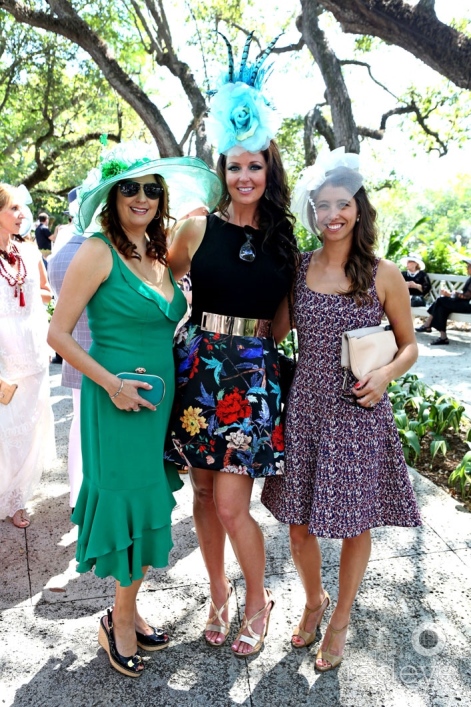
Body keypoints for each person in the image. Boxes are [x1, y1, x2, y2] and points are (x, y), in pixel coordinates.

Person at [47, 140, 222, 678]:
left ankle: (129, 610)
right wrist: (113, 385)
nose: (142, 197)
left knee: (148, 508)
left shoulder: (159, 253)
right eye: (130, 188)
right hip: (116, 403)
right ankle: (118, 622)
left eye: (151, 189)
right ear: (112, 195)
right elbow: (59, 333)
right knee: (126, 504)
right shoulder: (97, 249)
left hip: (158, 405)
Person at [164, 32, 300, 657]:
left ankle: (257, 599)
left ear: (268, 170)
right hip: (197, 367)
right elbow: (155, 282)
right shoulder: (196, 227)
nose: (245, 175)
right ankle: (217, 595)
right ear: (221, 170)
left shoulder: (283, 238)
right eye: (235, 164)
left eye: (256, 164)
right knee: (200, 494)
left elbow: (288, 315)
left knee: (229, 504)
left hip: (251, 377)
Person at [261, 148, 421, 672]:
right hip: (306, 409)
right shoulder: (299, 268)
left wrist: (384, 376)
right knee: (299, 524)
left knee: (355, 525)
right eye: (322, 204)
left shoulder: (383, 273)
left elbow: (409, 346)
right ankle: (314, 600)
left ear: (358, 208)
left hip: (359, 410)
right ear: (311, 211)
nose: (333, 214)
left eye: (342, 203)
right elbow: (275, 331)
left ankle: (340, 618)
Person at [0, 184, 55, 529]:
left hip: (33, 353)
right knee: (5, 431)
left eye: (22, 209)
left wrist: (35, 296)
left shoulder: (30, 252)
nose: (22, 215)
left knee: (30, 429)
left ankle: (16, 498)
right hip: (4, 358)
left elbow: (48, 292)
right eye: (15, 209)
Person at [47, 226, 92, 509]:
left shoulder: (62, 252)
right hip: (101, 354)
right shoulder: (99, 251)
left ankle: (77, 495)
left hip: (77, 350)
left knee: (79, 426)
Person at [415, 257, 471, 345]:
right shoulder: (470, 278)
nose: (467, 268)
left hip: (468, 306)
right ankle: (443, 337)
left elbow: (466, 297)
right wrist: (454, 293)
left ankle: (428, 324)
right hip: (465, 304)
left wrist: (450, 294)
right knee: (441, 307)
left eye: (468, 266)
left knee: (441, 300)